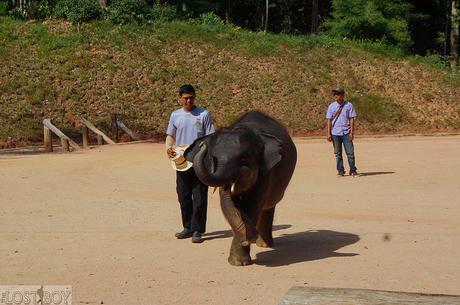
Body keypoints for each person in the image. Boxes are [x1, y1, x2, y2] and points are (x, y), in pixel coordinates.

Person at [166, 84, 215, 243]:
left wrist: (205, 155)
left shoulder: (203, 114)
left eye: (191, 97)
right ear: (180, 98)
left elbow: (210, 138)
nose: (189, 100)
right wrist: (168, 149)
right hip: (181, 161)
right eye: (185, 98)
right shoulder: (175, 115)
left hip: (199, 161)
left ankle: (197, 230)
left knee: (199, 196)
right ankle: (187, 227)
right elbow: (170, 136)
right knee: (183, 195)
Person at [326, 87, 359, 177]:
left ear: (342, 95)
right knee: (338, 153)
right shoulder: (331, 106)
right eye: (334, 94)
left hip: (346, 132)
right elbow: (329, 120)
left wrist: (352, 132)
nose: (335, 96)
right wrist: (328, 133)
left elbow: (352, 119)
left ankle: (353, 170)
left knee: (350, 153)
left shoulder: (349, 105)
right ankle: (340, 170)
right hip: (335, 133)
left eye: (337, 94)